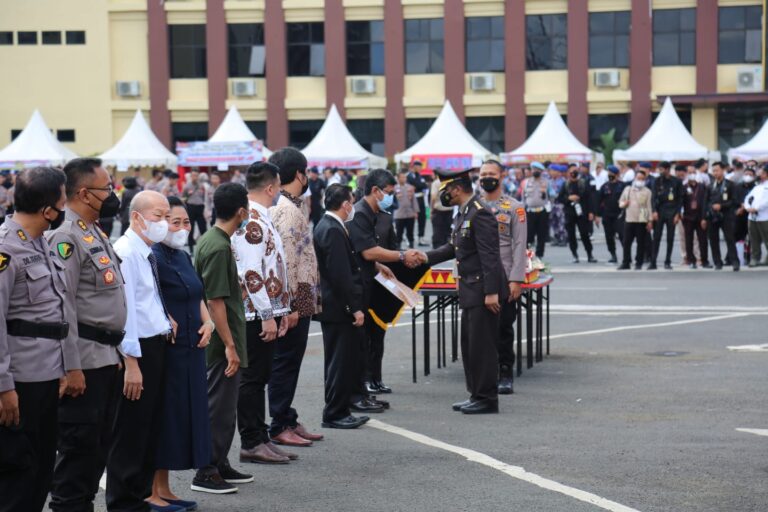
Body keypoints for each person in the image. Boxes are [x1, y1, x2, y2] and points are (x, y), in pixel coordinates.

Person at [47, 158, 127, 512]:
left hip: (106, 356)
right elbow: (62, 308)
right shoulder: (65, 236)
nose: (113, 194)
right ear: (84, 193)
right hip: (85, 361)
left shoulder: (94, 230)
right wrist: (72, 367)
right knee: (78, 457)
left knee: (96, 454)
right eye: (107, 188)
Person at [0, 167, 76, 512]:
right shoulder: (6, 250)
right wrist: (4, 387)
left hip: (47, 375)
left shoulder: (41, 243)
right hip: (20, 380)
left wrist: (66, 367)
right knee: (18, 472)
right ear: (48, 210)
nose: (65, 210)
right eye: (63, 202)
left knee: (42, 470)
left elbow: (56, 314)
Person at [107, 190, 175, 511]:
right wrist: (131, 362)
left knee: (148, 428)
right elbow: (126, 312)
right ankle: (123, 501)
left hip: (156, 345)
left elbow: (146, 301)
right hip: (139, 351)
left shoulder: (147, 250)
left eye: (166, 216)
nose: (164, 223)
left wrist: (164, 319)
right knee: (131, 431)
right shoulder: (126, 252)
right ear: (137, 217)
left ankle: (139, 496)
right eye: (158, 217)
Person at [146, 196, 214, 512]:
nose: (183, 228)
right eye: (176, 222)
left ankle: (166, 489)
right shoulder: (152, 256)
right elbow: (145, 298)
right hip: (167, 352)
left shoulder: (182, 256)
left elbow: (197, 292)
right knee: (163, 420)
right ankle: (150, 492)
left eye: (186, 222)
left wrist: (209, 321)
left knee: (182, 421)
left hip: (192, 348)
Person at [425, 168, 506, 414]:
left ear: (457, 189)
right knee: (471, 346)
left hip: (482, 290)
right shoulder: (465, 213)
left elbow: (490, 255)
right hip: (471, 289)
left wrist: (491, 292)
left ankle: (487, 398)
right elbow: (453, 247)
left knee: (482, 347)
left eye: (446, 190)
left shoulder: (480, 213)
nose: (443, 195)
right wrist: (425, 257)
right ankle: (476, 394)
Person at [231, 162, 296, 464]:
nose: (278, 193)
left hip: (267, 309)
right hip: (255, 313)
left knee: (260, 377)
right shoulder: (251, 220)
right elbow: (250, 272)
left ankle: (260, 437)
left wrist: (281, 309)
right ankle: (251, 441)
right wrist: (268, 313)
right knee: (253, 379)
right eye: (278, 187)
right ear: (271, 188)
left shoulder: (261, 216)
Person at [191, 183, 252, 494]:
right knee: (218, 407)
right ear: (241, 211)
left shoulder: (216, 240)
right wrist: (229, 345)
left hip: (225, 339)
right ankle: (207, 469)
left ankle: (220, 461)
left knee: (227, 408)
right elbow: (215, 301)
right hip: (219, 344)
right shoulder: (216, 246)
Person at [347, 169, 421, 414]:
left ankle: (373, 380)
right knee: (360, 340)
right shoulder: (358, 214)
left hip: (381, 281)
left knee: (377, 335)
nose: (391, 197)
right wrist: (401, 256)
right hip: (360, 286)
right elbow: (367, 251)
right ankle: (361, 386)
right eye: (388, 193)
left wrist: (392, 263)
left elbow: (387, 247)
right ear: (376, 190)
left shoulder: (385, 216)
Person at [266, 149, 325, 446]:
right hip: (294, 298)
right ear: (299, 174)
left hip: (298, 296)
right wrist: (289, 306)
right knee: (286, 361)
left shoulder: (288, 205)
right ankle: (279, 423)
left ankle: (286, 416)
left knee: (289, 360)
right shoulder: (287, 210)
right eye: (306, 172)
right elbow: (287, 260)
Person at [313, 184, 370, 429]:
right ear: (346, 204)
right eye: (352, 202)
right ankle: (335, 412)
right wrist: (354, 307)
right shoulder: (333, 229)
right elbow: (340, 275)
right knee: (340, 362)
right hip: (338, 308)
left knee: (341, 360)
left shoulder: (329, 225)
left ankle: (340, 409)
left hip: (334, 306)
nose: (353, 206)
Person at [478, 160, 527, 396]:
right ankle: (482, 375)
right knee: (478, 329)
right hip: (477, 277)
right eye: (483, 174)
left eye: (491, 174)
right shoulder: (471, 206)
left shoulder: (514, 207)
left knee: (503, 328)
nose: (487, 177)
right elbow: (459, 243)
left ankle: (505, 372)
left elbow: (520, 245)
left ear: (502, 176)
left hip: (504, 275)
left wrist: (516, 278)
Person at [556, 166, 596, 263]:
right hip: (570, 213)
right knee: (571, 235)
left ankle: (590, 254)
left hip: (582, 213)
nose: (573, 173)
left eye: (575, 171)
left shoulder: (583, 183)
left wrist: (591, 212)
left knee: (584, 234)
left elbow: (590, 198)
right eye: (571, 171)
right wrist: (569, 198)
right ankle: (575, 255)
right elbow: (559, 198)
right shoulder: (565, 184)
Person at [649, 161, 684, 270]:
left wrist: (678, 214)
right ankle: (653, 262)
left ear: (668, 169)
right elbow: (653, 197)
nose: (660, 171)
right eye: (659, 169)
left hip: (672, 212)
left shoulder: (677, 181)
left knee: (670, 238)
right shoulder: (656, 181)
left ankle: (667, 261)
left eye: (662, 169)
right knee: (656, 237)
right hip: (659, 212)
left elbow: (680, 199)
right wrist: (654, 211)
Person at [617, 169, 653, 270]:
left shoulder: (647, 191)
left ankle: (639, 262)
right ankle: (626, 262)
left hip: (642, 219)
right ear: (634, 178)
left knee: (641, 242)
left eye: (642, 179)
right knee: (626, 242)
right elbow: (620, 203)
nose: (640, 181)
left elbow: (649, 206)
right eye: (638, 178)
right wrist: (624, 204)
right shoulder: (628, 189)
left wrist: (650, 221)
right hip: (629, 219)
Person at [707, 162, 739, 271]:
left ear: (723, 170)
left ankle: (734, 261)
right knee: (713, 240)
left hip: (726, 215)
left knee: (730, 239)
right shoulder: (710, 185)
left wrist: (721, 206)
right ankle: (717, 262)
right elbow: (705, 201)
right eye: (713, 171)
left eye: (717, 170)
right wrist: (706, 214)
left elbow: (735, 202)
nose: (715, 173)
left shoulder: (730, 184)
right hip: (712, 216)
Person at [596, 165, 626, 263]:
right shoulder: (604, 186)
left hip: (619, 215)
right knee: (609, 237)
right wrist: (597, 215)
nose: (610, 175)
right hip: (607, 215)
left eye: (611, 173)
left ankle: (626, 255)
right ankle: (613, 255)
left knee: (622, 236)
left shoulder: (623, 186)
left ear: (617, 174)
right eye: (609, 173)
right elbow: (598, 201)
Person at [682, 167, 711, 269]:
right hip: (688, 217)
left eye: (694, 172)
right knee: (688, 240)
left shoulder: (702, 187)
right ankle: (691, 260)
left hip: (700, 217)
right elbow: (681, 202)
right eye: (690, 173)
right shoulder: (684, 187)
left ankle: (704, 260)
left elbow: (705, 203)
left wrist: (704, 218)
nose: (692, 174)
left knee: (703, 240)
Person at [522, 161, 551, 258]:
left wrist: (546, 192)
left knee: (541, 236)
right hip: (530, 212)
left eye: (537, 170)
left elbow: (553, 195)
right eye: (533, 169)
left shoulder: (546, 182)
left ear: (541, 171)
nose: (535, 171)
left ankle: (539, 256)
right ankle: (528, 257)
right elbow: (523, 198)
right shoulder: (526, 182)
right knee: (528, 236)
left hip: (542, 212)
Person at [744, 165, 768, 266]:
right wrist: (747, 207)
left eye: (761, 173)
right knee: (754, 239)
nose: (759, 175)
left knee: (766, 238)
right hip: (752, 217)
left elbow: (766, 202)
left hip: (764, 217)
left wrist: (756, 208)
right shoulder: (757, 186)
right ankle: (755, 258)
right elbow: (748, 198)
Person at [393, 169, 420, 249]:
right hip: (399, 214)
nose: (404, 179)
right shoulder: (394, 188)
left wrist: (416, 211)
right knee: (399, 233)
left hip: (409, 214)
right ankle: (398, 249)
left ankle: (411, 248)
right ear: (398, 178)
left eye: (405, 177)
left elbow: (414, 200)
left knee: (410, 233)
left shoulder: (410, 187)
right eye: (402, 177)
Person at [182, 170, 208, 251]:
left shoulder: (201, 186)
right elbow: (183, 198)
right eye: (193, 176)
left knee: (203, 228)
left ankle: (206, 247)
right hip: (191, 207)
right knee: (191, 228)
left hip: (200, 207)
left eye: (196, 176)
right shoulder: (187, 186)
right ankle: (191, 248)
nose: (195, 177)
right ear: (191, 176)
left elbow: (204, 197)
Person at [406, 161, 429, 246]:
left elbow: (424, 186)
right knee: (410, 220)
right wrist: (419, 185)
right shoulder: (408, 176)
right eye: (418, 166)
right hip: (411, 200)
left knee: (422, 219)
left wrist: (418, 185)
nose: (420, 168)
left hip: (420, 199)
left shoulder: (420, 176)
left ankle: (421, 237)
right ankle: (409, 238)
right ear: (414, 167)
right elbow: (417, 185)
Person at [430, 170, 454, 248]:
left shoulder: (436, 183)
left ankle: (437, 247)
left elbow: (433, 197)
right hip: (449, 208)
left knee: (437, 229)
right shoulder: (450, 182)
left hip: (438, 209)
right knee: (448, 228)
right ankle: (446, 246)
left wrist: (431, 208)